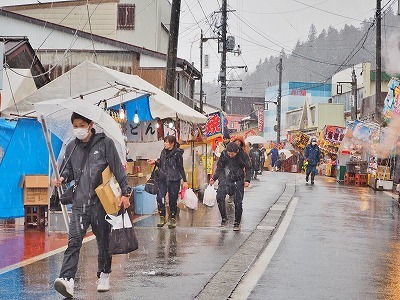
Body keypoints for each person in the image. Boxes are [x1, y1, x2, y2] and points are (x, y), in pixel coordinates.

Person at [53, 112, 131, 298]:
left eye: (81, 124)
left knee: (103, 241)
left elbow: (118, 170)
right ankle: (67, 279)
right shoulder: (72, 146)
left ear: (90, 124)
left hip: (101, 203)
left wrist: (126, 193)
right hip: (80, 202)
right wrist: (62, 177)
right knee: (74, 241)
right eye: (75, 125)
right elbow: (69, 171)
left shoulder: (105, 144)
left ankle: (104, 274)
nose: (78, 129)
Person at [148, 135, 188, 229]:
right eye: (164, 142)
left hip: (174, 180)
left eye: (166, 142)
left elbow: (180, 167)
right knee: (160, 197)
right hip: (162, 179)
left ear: (172, 143)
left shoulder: (177, 154)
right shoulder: (163, 152)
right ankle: (162, 217)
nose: (165, 144)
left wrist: (185, 181)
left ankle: (173, 218)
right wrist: (155, 162)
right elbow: (161, 164)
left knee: (172, 201)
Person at [209, 142, 251, 231]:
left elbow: (248, 167)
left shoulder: (243, 154)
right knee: (219, 197)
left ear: (237, 151)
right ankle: (224, 219)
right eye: (229, 154)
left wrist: (247, 180)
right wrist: (214, 178)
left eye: (232, 154)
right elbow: (220, 167)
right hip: (225, 178)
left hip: (238, 179)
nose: (230, 156)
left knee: (238, 202)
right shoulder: (224, 154)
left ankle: (237, 223)